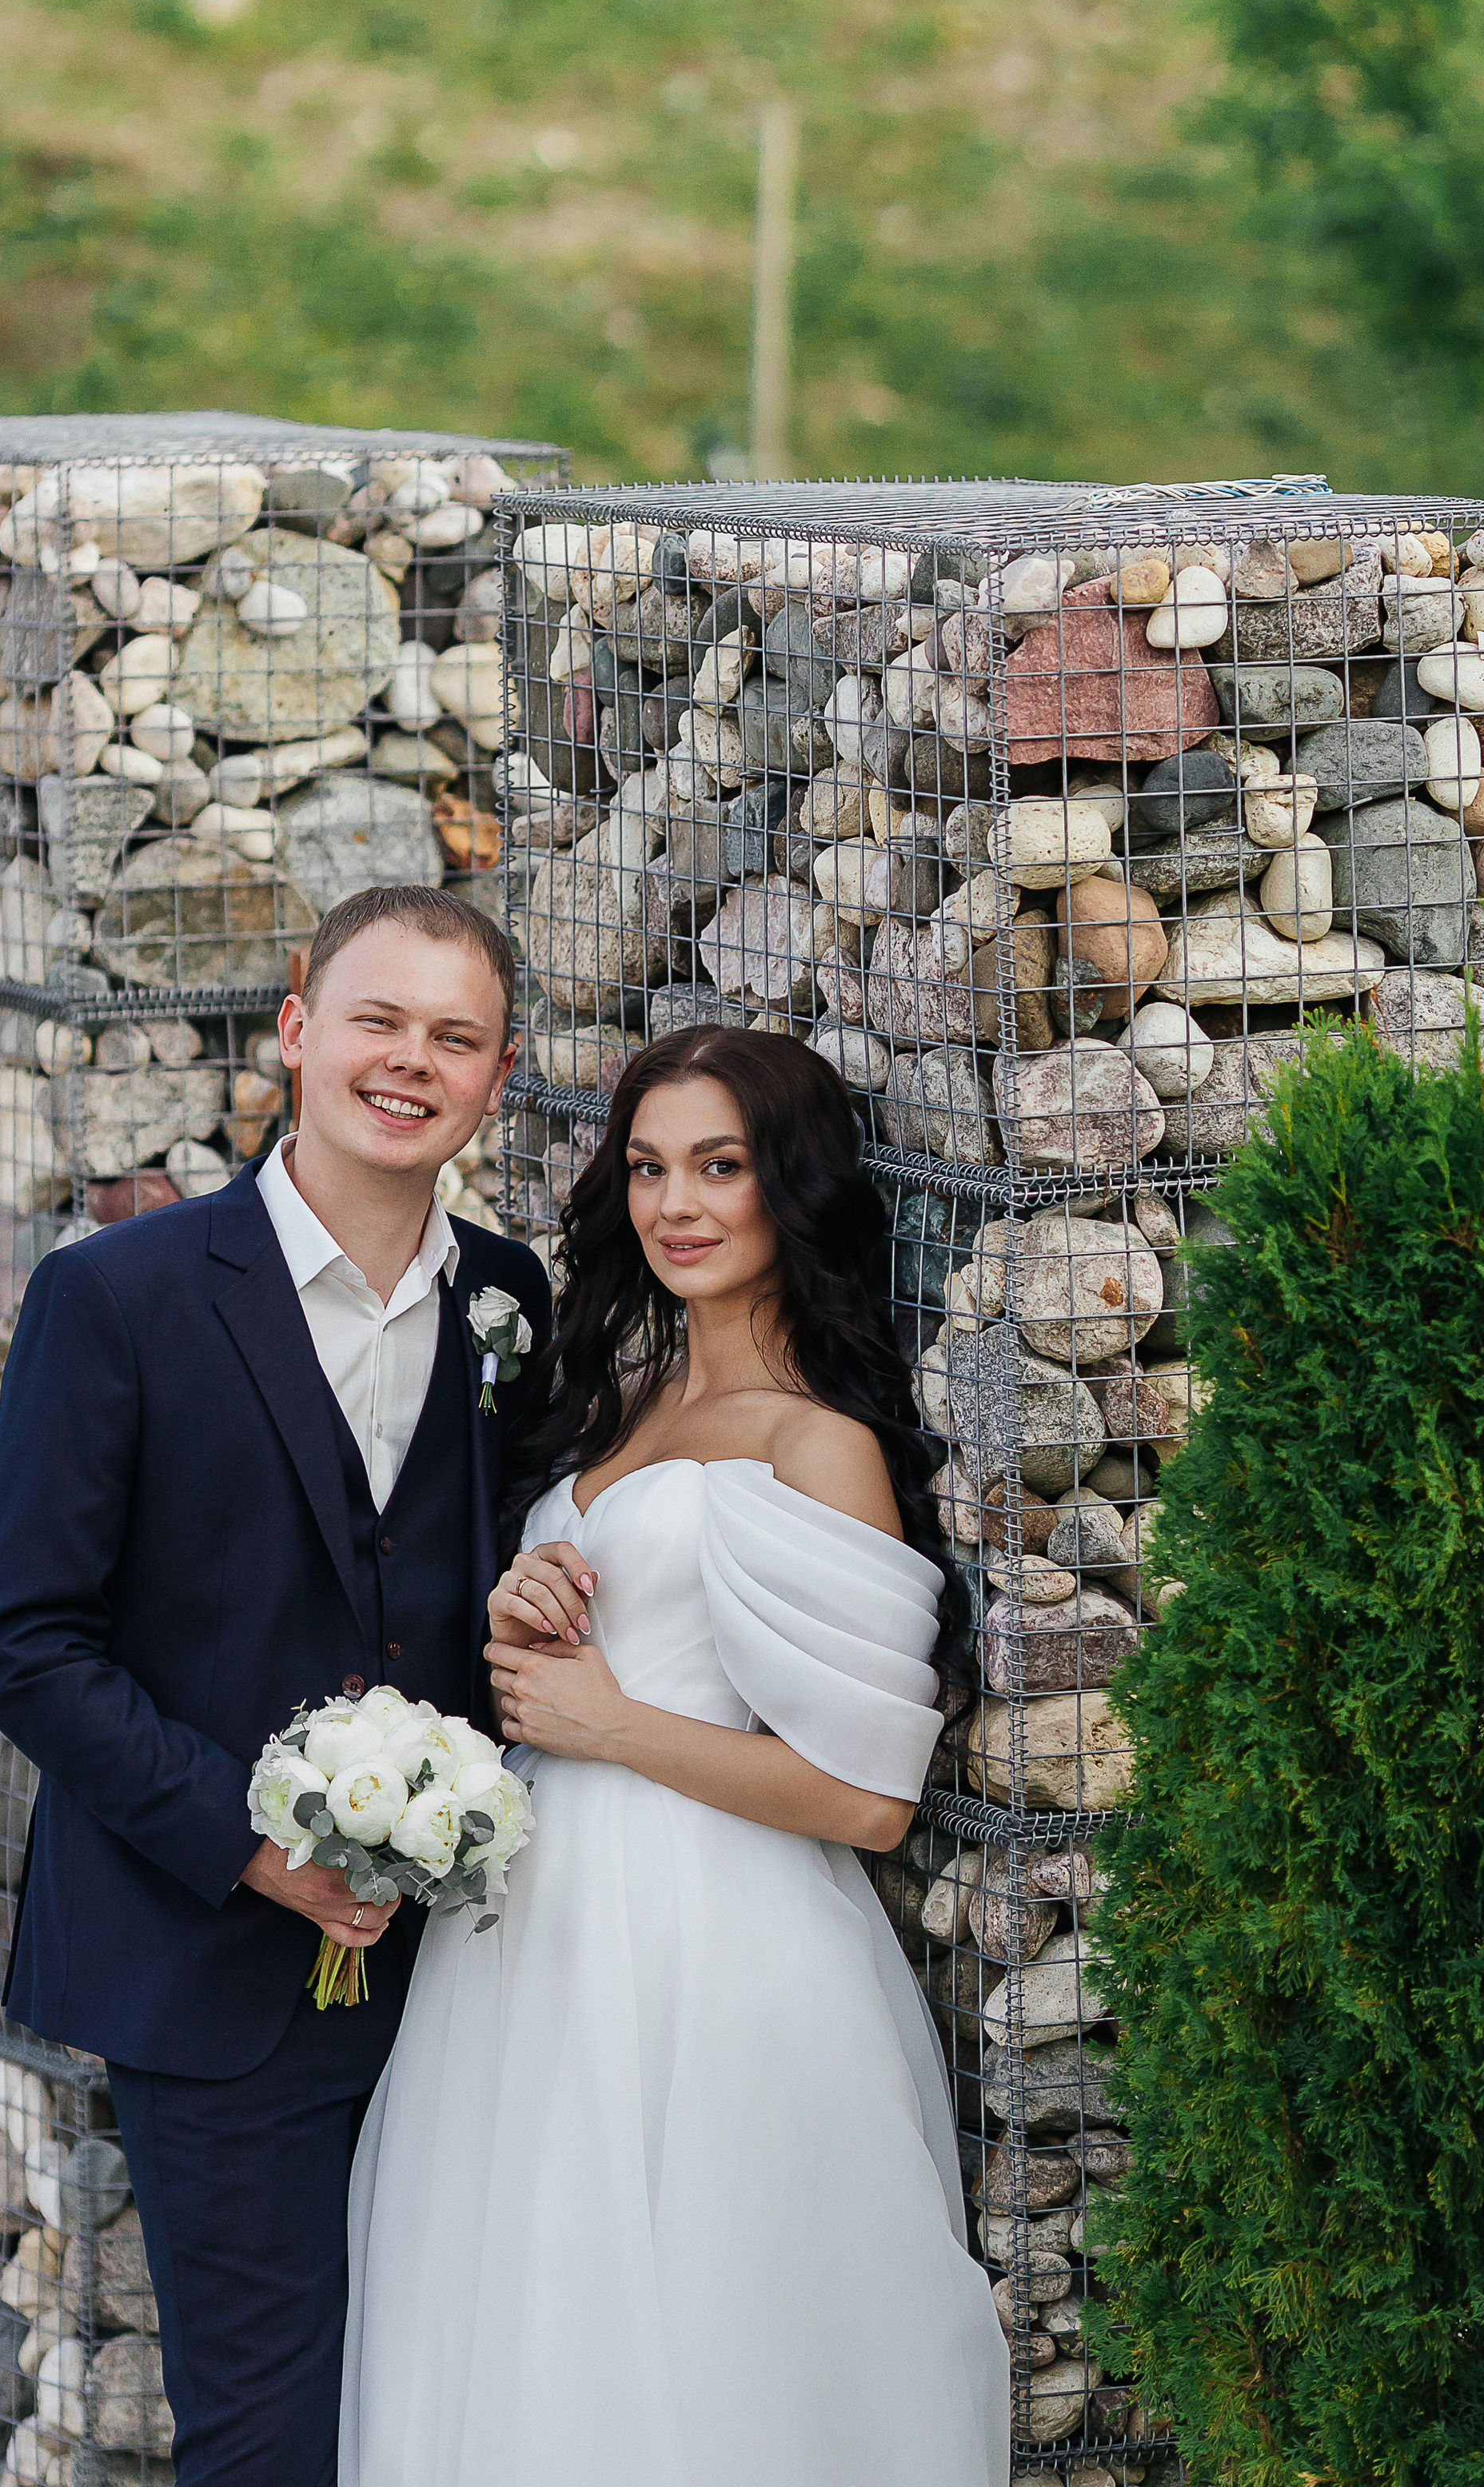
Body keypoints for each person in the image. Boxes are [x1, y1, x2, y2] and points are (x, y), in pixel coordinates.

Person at [341, 1024, 1010, 2487]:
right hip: (530, 1952)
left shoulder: (813, 1445)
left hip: (713, 1952)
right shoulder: (623, 1406)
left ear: (794, 1188)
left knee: (717, 2347)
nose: (676, 1205)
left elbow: (869, 1799)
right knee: (534, 2328)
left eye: (722, 1166)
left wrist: (606, 1724)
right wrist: (528, 1612)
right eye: (648, 1169)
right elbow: (581, 1660)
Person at [0, 884, 553, 2487]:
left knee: (443, 2400)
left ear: (496, 1079)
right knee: (270, 2431)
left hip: (460, 1979)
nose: (410, 1062)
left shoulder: (510, 1302)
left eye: (457, 1037)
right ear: (296, 1031)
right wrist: (257, 1850)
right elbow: (19, 1639)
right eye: (377, 1019)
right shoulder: (119, 1299)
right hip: (208, 1970)